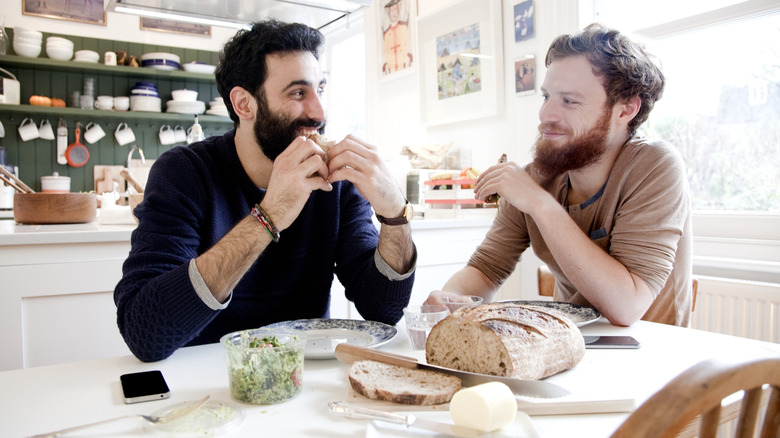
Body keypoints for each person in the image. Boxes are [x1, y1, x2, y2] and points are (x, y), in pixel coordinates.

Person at [115, 19, 416, 362]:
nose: (319, 112)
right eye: (298, 93)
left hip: (305, 379)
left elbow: (383, 309)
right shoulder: (183, 173)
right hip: (207, 380)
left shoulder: (336, 181)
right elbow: (144, 332)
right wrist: (268, 216)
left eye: (320, 89)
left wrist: (395, 215)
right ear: (244, 104)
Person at [425, 24, 693, 327]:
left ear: (626, 109)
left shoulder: (656, 165)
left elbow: (628, 306)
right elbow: (486, 269)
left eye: (569, 101)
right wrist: (451, 297)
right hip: (569, 348)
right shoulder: (536, 178)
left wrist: (539, 204)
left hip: (653, 354)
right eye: (546, 97)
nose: (545, 115)